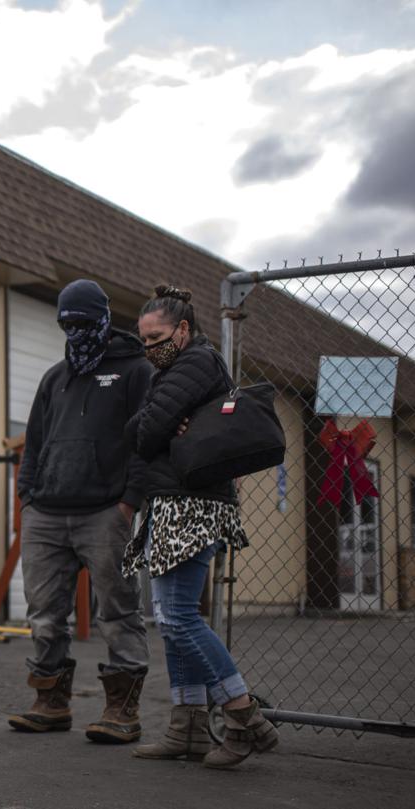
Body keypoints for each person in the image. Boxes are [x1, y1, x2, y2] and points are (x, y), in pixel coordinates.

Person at [122, 285, 278, 769]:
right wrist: (161, 424)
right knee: (172, 622)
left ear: (183, 330)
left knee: (178, 617)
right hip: (174, 502)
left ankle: (241, 714)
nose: (150, 347)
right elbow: (140, 430)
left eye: (158, 336)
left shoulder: (194, 364)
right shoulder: (172, 370)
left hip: (191, 505)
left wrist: (158, 425)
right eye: (143, 339)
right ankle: (186, 728)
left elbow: (144, 433)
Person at [8, 279, 153, 744]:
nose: (75, 333)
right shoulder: (55, 377)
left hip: (105, 512)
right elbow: (34, 441)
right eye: (66, 325)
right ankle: (50, 703)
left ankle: (121, 711)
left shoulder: (135, 371)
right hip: (46, 513)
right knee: (44, 614)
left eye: (84, 324)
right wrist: (27, 496)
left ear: (104, 320)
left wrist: (129, 501)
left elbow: (146, 442)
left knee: (118, 610)